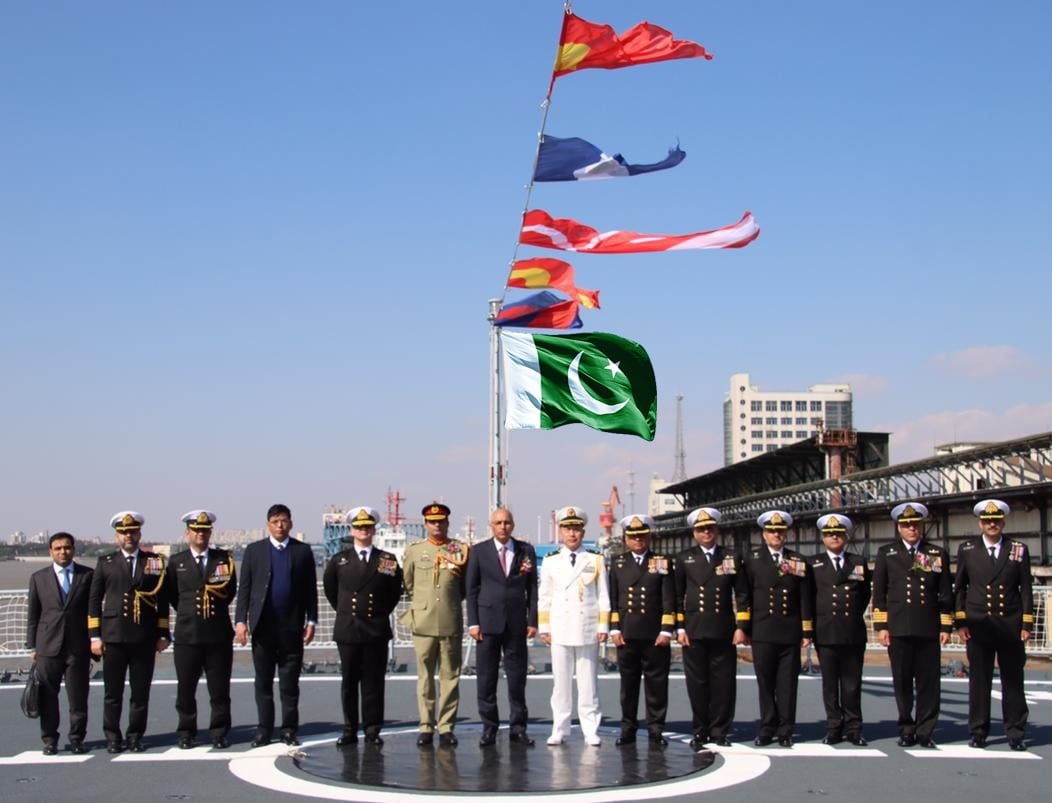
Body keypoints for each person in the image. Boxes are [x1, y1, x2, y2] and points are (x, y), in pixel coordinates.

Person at [235, 503, 318, 747]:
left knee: (289, 682)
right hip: (263, 627)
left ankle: (289, 729)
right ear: (268, 524)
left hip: (291, 627)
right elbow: (245, 590)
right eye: (275, 521)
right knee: (263, 681)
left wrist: (311, 620)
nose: (280, 525)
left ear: (291, 523)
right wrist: (241, 621)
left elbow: (310, 589)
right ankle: (264, 729)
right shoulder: (254, 551)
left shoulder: (302, 551)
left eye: (284, 521)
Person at [954, 499, 1034, 751]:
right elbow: (960, 589)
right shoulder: (967, 549)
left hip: (1009, 624)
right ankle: (978, 731)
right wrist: (961, 622)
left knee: (1013, 680)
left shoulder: (1017, 549)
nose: (992, 524)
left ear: (1003, 522)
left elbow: (1026, 590)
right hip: (979, 624)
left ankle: (1015, 731)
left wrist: (1026, 623)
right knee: (979, 680)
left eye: (996, 520)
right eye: (987, 521)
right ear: (980, 523)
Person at [88, 511, 170, 753]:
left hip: (144, 638)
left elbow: (162, 600)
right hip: (113, 637)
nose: (129, 536)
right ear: (117, 537)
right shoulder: (106, 563)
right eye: (124, 533)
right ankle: (112, 737)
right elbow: (94, 601)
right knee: (112, 693)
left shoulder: (154, 562)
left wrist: (163, 633)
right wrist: (94, 636)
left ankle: (135, 736)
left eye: (132, 532)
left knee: (140, 693)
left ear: (139, 534)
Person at [872, 502, 952, 748]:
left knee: (929, 684)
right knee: (903, 682)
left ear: (921, 526)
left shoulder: (936, 554)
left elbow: (945, 593)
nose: (912, 529)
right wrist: (881, 626)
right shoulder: (887, 553)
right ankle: (906, 728)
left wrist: (945, 626)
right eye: (907, 525)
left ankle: (926, 730)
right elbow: (880, 592)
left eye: (915, 525)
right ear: (899, 527)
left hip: (927, 628)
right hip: (899, 627)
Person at [323, 505, 404, 746]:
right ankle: (349, 729)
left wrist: (377, 614)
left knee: (373, 682)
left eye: (367, 527)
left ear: (374, 530)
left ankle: (372, 728)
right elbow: (330, 591)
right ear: (352, 529)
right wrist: (348, 612)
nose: (363, 531)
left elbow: (393, 593)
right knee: (349, 681)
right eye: (359, 527)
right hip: (348, 628)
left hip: (375, 628)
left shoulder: (386, 560)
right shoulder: (340, 561)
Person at [737, 510, 813, 747]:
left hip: (789, 631)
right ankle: (768, 727)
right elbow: (744, 595)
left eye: (780, 531)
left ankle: (786, 729)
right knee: (766, 682)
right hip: (762, 630)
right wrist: (743, 627)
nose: (776, 535)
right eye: (771, 531)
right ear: (764, 534)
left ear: (786, 533)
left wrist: (807, 631)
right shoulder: (752, 559)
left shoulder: (798, 561)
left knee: (788, 683)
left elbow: (805, 598)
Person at [674, 507, 747, 750]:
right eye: (701, 529)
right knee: (697, 683)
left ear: (717, 530)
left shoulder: (731, 557)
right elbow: (676, 596)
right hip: (694, 630)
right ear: (694, 532)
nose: (706, 532)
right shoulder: (684, 558)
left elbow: (743, 594)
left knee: (724, 682)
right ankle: (700, 729)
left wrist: (741, 626)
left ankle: (720, 730)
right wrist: (679, 627)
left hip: (723, 628)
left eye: (710, 528)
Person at [466, 507, 538, 747]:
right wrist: (473, 622)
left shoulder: (525, 550)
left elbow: (533, 590)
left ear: (513, 525)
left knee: (517, 679)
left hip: (516, 624)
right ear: (491, 525)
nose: (503, 526)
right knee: (486, 679)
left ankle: (518, 727)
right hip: (486, 624)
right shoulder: (478, 551)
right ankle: (489, 728)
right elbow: (472, 589)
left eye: (507, 522)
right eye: (498, 522)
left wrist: (532, 620)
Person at [538, 506, 610, 747]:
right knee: (561, 684)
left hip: (587, 626)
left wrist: (603, 627)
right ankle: (560, 728)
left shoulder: (596, 559)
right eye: (568, 529)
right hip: (560, 627)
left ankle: (590, 729)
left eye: (576, 529)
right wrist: (544, 628)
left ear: (583, 531)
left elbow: (603, 596)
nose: (572, 534)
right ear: (560, 531)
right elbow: (545, 596)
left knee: (588, 683)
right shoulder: (551, 561)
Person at [166, 510, 237, 749]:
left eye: (205, 530)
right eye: (196, 530)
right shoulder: (177, 562)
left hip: (217, 634)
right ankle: (186, 731)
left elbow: (229, 592)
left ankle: (219, 732)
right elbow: (173, 596)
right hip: (187, 635)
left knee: (219, 689)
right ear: (188, 532)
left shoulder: (223, 559)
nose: (201, 534)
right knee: (186, 688)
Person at [402, 502, 469, 747]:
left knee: (450, 676)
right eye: (432, 521)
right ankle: (426, 726)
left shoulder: (459, 549)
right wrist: (425, 603)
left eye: (441, 521)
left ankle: (447, 726)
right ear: (425, 524)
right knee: (425, 677)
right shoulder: (414, 551)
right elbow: (409, 583)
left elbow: (462, 589)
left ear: (448, 523)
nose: (437, 525)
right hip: (423, 621)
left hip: (450, 620)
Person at [608, 514, 675, 746]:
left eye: (642, 536)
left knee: (657, 685)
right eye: (633, 537)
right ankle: (628, 728)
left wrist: (666, 629)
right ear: (626, 538)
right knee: (629, 686)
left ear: (649, 537)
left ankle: (656, 729)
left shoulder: (661, 562)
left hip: (654, 634)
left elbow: (669, 599)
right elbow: (614, 599)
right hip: (627, 634)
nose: (638, 540)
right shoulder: (618, 563)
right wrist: (614, 629)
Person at [25, 532, 93, 755]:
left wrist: (95, 639)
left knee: (78, 697)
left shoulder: (88, 575)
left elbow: (94, 611)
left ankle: (76, 739)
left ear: (74, 549)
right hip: (48, 647)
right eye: (58, 548)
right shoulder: (38, 578)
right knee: (47, 697)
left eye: (67, 547)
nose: (63, 552)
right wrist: (32, 647)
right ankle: (50, 740)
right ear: (50, 551)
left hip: (78, 646)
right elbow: (33, 615)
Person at [810, 514, 871, 746]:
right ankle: (834, 727)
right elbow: (809, 596)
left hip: (852, 631)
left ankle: (854, 728)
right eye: (829, 534)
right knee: (830, 684)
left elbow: (864, 594)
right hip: (826, 632)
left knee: (852, 683)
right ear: (823, 538)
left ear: (845, 536)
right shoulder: (813, 564)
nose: (834, 537)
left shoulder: (858, 562)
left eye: (838, 534)